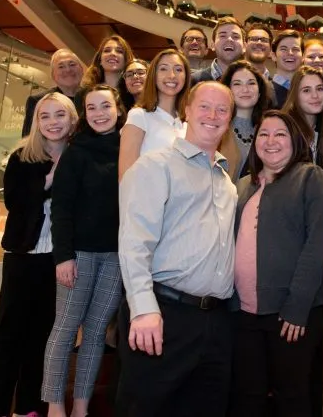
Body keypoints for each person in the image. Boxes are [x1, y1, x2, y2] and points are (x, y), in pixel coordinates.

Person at [117, 82, 237, 417]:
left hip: (215, 322)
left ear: (229, 119)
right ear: (186, 110)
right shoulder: (155, 165)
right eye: (204, 106)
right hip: (162, 313)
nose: (212, 116)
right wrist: (143, 308)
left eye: (222, 110)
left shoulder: (227, 183)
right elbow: (134, 242)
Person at [230, 110, 323, 417]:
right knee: (247, 397)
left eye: (280, 134)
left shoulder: (311, 177)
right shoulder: (242, 185)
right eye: (263, 134)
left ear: (295, 141)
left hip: (291, 314)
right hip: (243, 314)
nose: (271, 141)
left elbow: (316, 247)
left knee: (293, 397)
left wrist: (297, 307)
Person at [0, 93, 78, 417]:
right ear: (37, 121)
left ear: (72, 119)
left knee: (43, 340)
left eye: (59, 115)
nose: (53, 122)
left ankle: (28, 409)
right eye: (45, 116)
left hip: (60, 261)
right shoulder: (22, 156)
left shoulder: (80, 157)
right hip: (23, 256)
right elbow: (15, 201)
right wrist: (52, 176)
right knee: (7, 339)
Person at [42, 84, 125, 417]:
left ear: (118, 108)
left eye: (105, 106)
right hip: (79, 255)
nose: (99, 114)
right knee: (65, 328)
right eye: (92, 108)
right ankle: (54, 406)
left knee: (95, 333)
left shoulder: (130, 149)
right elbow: (61, 207)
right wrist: (63, 256)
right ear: (84, 113)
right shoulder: (76, 152)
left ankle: (81, 407)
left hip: (117, 256)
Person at [119, 49, 190, 178]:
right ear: (153, 75)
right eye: (163, 69)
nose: (172, 75)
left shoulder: (188, 122)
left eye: (178, 69)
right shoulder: (139, 116)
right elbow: (126, 177)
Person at [283, 66, 323, 194]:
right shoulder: (284, 132)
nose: (315, 96)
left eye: (320, 89)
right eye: (306, 90)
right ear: (295, 95)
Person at [220, 60, 272, 181]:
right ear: (227, 90)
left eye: (251, 83)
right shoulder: (217, 128)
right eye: (237, 84)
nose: (245, 89)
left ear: (259, 91)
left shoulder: (269, 129)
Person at [21, 49, 84, 136]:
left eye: (72, 64)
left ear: (82, 70)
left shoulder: (92, 98)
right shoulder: (38, 100)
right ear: (53, 75)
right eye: (61, 66)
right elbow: (28, 138)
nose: (68, 70)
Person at [192, 16, 246, 83]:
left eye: (235, 36)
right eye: (222, 36)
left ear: (244, 47)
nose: (229, 39)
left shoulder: (254, 80)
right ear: (213, 45)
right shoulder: (194, 80)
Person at [271, 29, 304, 108]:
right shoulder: (265, 91)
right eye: (283, 49)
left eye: (295, 49)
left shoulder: (308, 90)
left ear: (303, 56)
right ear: (273, 56)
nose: (290, 53)